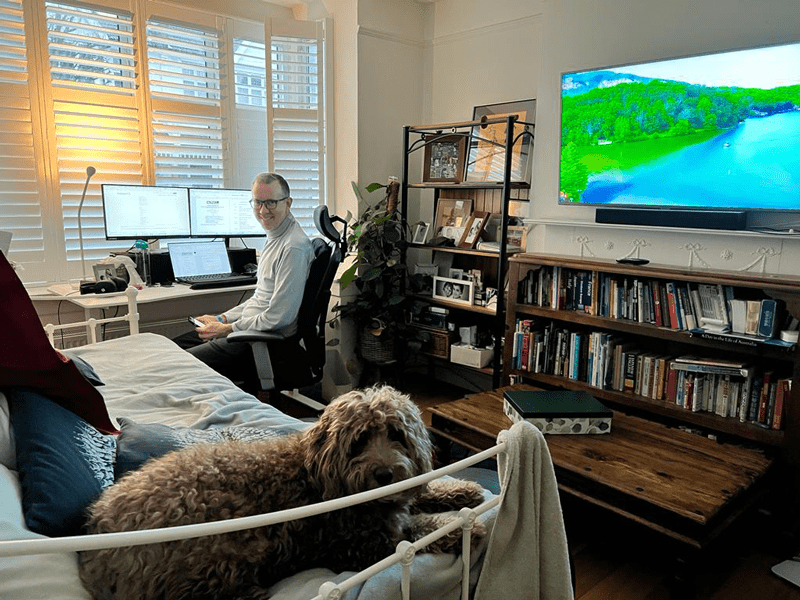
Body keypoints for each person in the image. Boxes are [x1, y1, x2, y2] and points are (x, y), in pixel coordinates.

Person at [182, 172, 314, 390]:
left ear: (288, 203)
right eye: (258, 202)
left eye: (271, 202)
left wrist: (227, 328)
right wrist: (221, 318)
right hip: (247, 332)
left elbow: (279, 316)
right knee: (171, 348)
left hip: (260, 341)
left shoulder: (293, 247)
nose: (263, 211)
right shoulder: (276, 237)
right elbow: (260, 299)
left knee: (179, 365)